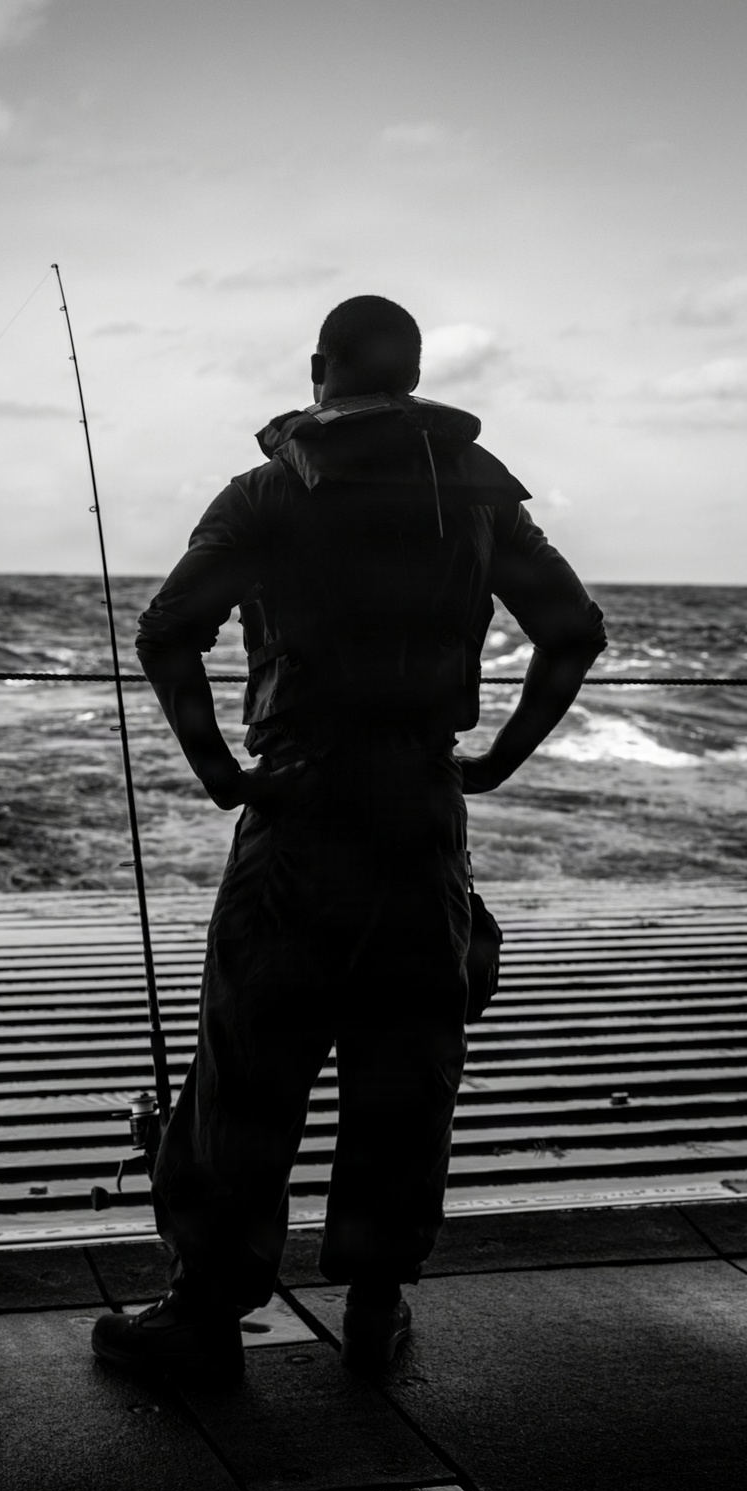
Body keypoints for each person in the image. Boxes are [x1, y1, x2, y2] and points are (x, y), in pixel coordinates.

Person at [92, 295, 607, 1385]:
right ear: (413, 377)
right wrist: (492, 762)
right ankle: (375, 1308)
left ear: (321, 368)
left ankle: (205, 1313)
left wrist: (223, 773)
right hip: (423, 814)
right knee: (406, 1068)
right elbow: (572, 633)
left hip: (300, 809)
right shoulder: (480, 497)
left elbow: (167, 628)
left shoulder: (269, 490)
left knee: (248, 1067)